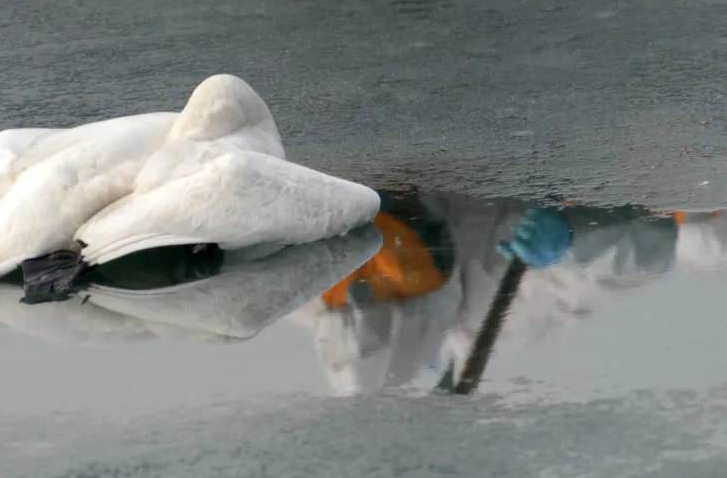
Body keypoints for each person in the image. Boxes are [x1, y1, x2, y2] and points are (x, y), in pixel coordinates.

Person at [291, 187, 726, 396]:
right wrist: (572, 241)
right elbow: (633, 260)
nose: (367, 262)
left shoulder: (296, 292)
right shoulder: (503, 315)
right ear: (430, 304)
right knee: (708, 244)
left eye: (339, 280)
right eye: (387, 286)